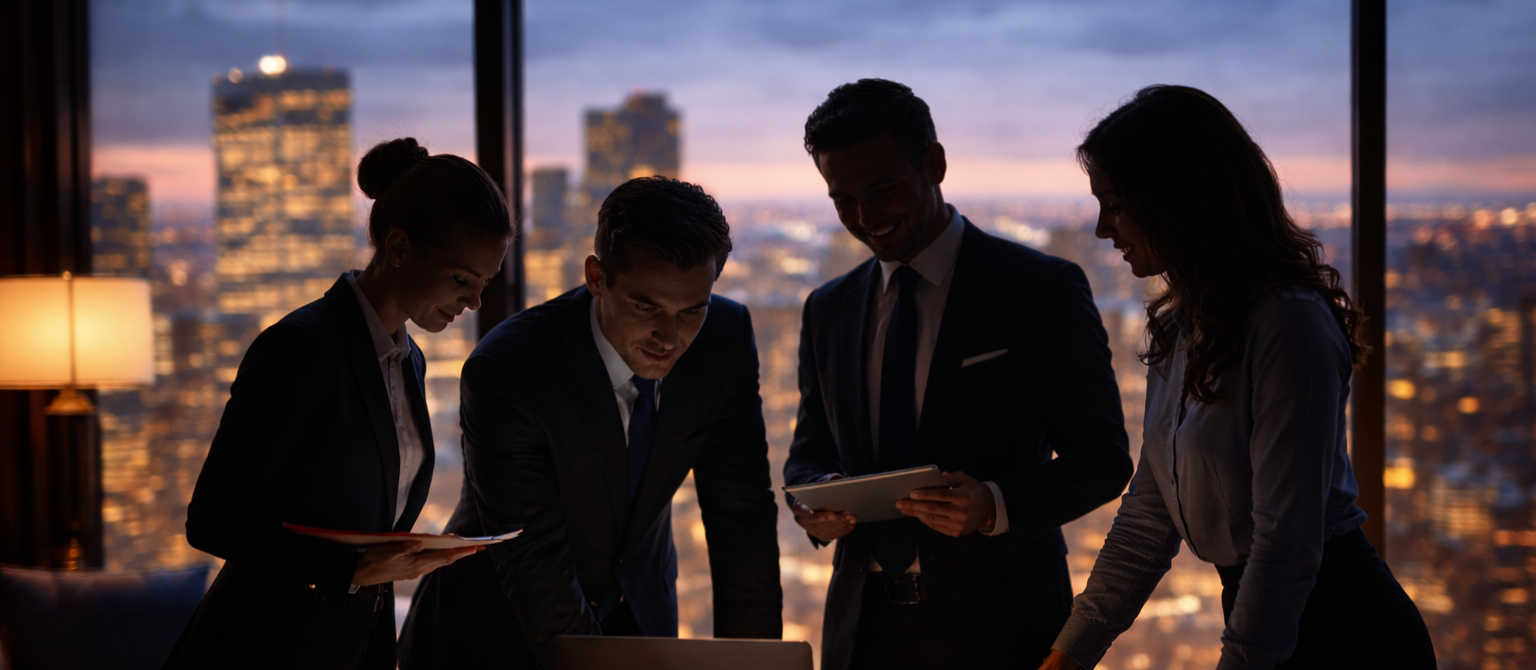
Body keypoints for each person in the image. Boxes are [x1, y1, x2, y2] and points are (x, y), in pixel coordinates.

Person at [1040, 85, 1436, 670]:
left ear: (1177, 199)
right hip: (1273, 623)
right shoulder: (1183, 328)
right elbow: (1148, 520)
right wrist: (1067, 656)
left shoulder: (1289, 322)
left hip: (1346, 634)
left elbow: (1285, 544)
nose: (1103, 229)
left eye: (1117, 205)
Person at [783, 78, 1134, 670]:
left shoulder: (1039, 289)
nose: (866, 218)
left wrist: (993, 504)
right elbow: (807, 450)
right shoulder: (828, 308)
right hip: (861, 632)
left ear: (935, 163)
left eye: (883, 190)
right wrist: (814, 500)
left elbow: (1104, 459)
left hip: (1002, 630)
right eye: (843, 201)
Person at [397, 176, 782, 669]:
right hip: (496, 633)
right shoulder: (512, 367)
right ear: (597, 278)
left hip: (639, 623)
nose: (669, 336)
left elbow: (741, 516)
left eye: (691, 311)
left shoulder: (723, 340)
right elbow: (535, 563)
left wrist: (755, 663)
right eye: (647, 307)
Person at [165, 138, 513, 669]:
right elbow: (213, 520)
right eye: (462, 279)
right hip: (260, 647)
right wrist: (347, 570)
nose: (474, 302)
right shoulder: (302, 348)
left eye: (485, 283)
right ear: (397, 248)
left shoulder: (409, 360)